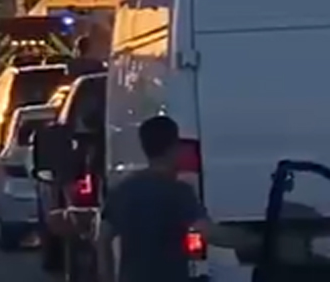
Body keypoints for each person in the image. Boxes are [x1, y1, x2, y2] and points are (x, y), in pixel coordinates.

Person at [97, 115, 259, 282]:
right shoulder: (178, 192)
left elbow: (103, 239)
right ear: (173, 148)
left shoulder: (123, 190)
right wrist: (253, 240)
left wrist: (108, 278)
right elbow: (210, 233)